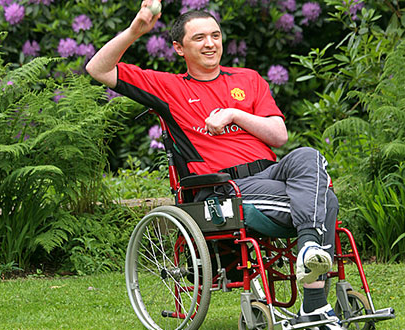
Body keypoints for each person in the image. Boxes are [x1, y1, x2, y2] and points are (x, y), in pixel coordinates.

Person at [86, 2, 342, 329]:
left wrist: (234, 114)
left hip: (272, 172)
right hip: (225, 189)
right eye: (200, 38)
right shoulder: (169, 87)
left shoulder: (248, 79)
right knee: (326, 199)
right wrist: (137, 29)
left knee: (307, 155)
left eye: (216, 36)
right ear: (179, 48)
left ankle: (308, 249)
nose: (210, 43)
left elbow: (279, 135)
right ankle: (316, 306)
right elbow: (98, 69)